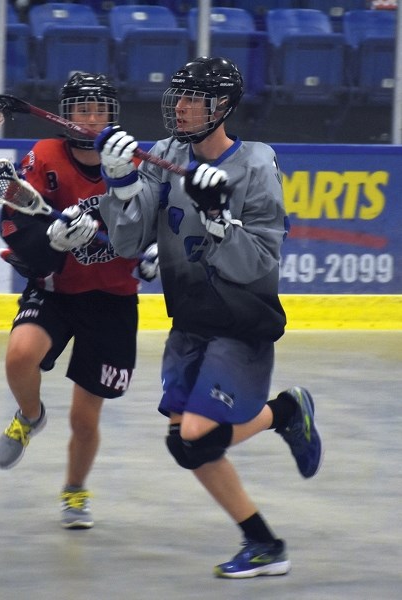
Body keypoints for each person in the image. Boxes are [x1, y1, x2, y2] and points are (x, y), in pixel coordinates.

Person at [94, 57, 323, 578]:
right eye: (177, 96)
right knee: (185, 444)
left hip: (241, 322)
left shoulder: (258, 166)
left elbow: (261, 265)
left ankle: (285, 412)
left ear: (222, 109)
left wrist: (220, 219)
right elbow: (129, 244)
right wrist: (121, 184)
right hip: (190, 322)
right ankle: (265, 544)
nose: (180, 106)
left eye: (194, 98)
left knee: (198, 436)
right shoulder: (165, 155)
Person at [0, 72, 159, 529]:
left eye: (99, 110)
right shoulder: (43, 157)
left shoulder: (135, 162)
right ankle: (30, 415)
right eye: (81, 109)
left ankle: (75, 490)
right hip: (57, 289)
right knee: (19, 355)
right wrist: (53, 240)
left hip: (113, 299)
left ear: (112, 116)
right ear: (65, 117)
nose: (90, 118)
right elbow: (12, 228)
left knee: (86, 419)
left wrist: (158, 253)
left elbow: (161, 220)